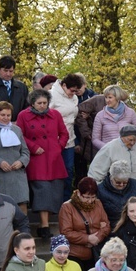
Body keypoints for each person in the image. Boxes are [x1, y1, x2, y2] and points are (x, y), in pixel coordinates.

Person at [16, 88, 69, 238]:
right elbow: (19, 135)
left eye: (45, 103)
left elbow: (64, 133)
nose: (42, 105)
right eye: (39, 103)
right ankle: (44, 226)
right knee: (42, 191)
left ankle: (51, 224)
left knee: (56, 190)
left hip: (54, 157)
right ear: (32, 103)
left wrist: (59, 147)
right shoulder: (23, 116)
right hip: (37, 159)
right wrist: (32, 147)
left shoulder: (55, 114)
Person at [0, 101, 30, 213]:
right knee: (2, 206)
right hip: (0, 174)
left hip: (17, 175)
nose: (6, 118)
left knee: (22, 204)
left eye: (8, 115)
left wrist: (21, 162)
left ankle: (23, 230)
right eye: (3, 115)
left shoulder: (17, 129)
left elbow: (25, 151)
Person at [59, 177, 111, 271]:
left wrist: (97, 237)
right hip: (75, 254)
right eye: (87, 197)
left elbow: (107, 225)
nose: (90, 201)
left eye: (93, 197)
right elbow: (66, 232)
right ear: (79, 193)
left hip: (95, 253)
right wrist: (87, 238)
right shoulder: (67, 207)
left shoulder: (98, 203)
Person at [92, 84, 136, 160]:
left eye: (110, 97)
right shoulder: (100, 115)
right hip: (109, 156)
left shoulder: (130, 113)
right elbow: (95, 139)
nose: (107, 100)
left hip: (129, 155)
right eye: (106, 97)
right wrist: (109, 148)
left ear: (117, 98)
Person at [49, 73, 83, 201]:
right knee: (54, 170)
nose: (73, 93)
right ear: (63, 85)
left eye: (76, 91)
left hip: (69, 139)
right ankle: (54, 200)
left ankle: (66, 199)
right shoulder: (52, 95)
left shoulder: (74, 98)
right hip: (54, 139)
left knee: (68, 170)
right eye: (71, 90)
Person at [96, 160, 136, 229]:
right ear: (111, 177)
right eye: (118, 182)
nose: (121, 185)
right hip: (114, 228)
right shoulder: (100, 190)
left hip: (135, 225)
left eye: (125, 182)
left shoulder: (135, 184)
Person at [0, 55, 29, 123]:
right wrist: (2, 121)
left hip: (17, 125)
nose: (8, 74)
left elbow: (26, 108)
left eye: (11, 71)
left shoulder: (22, 87)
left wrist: (19, 121)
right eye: (5, 71)